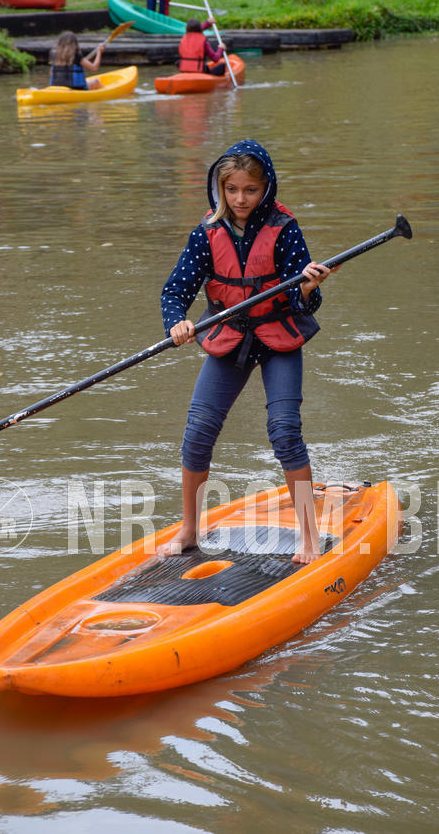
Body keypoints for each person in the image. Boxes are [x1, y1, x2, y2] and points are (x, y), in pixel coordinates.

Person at [160, 140, 336, 565]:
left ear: (266, 188)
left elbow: (302, 301)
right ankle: (188, 531)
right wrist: (177, 323)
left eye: (250, 190)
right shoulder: (206, 232)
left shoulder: (284, 228)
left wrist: (308, 287)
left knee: (284, 430)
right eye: (232, 190)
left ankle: (309, 539)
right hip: (230, 337)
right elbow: (174, 292)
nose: (240, 200)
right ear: (220, 188)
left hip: (278, 338)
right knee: (198, 430)